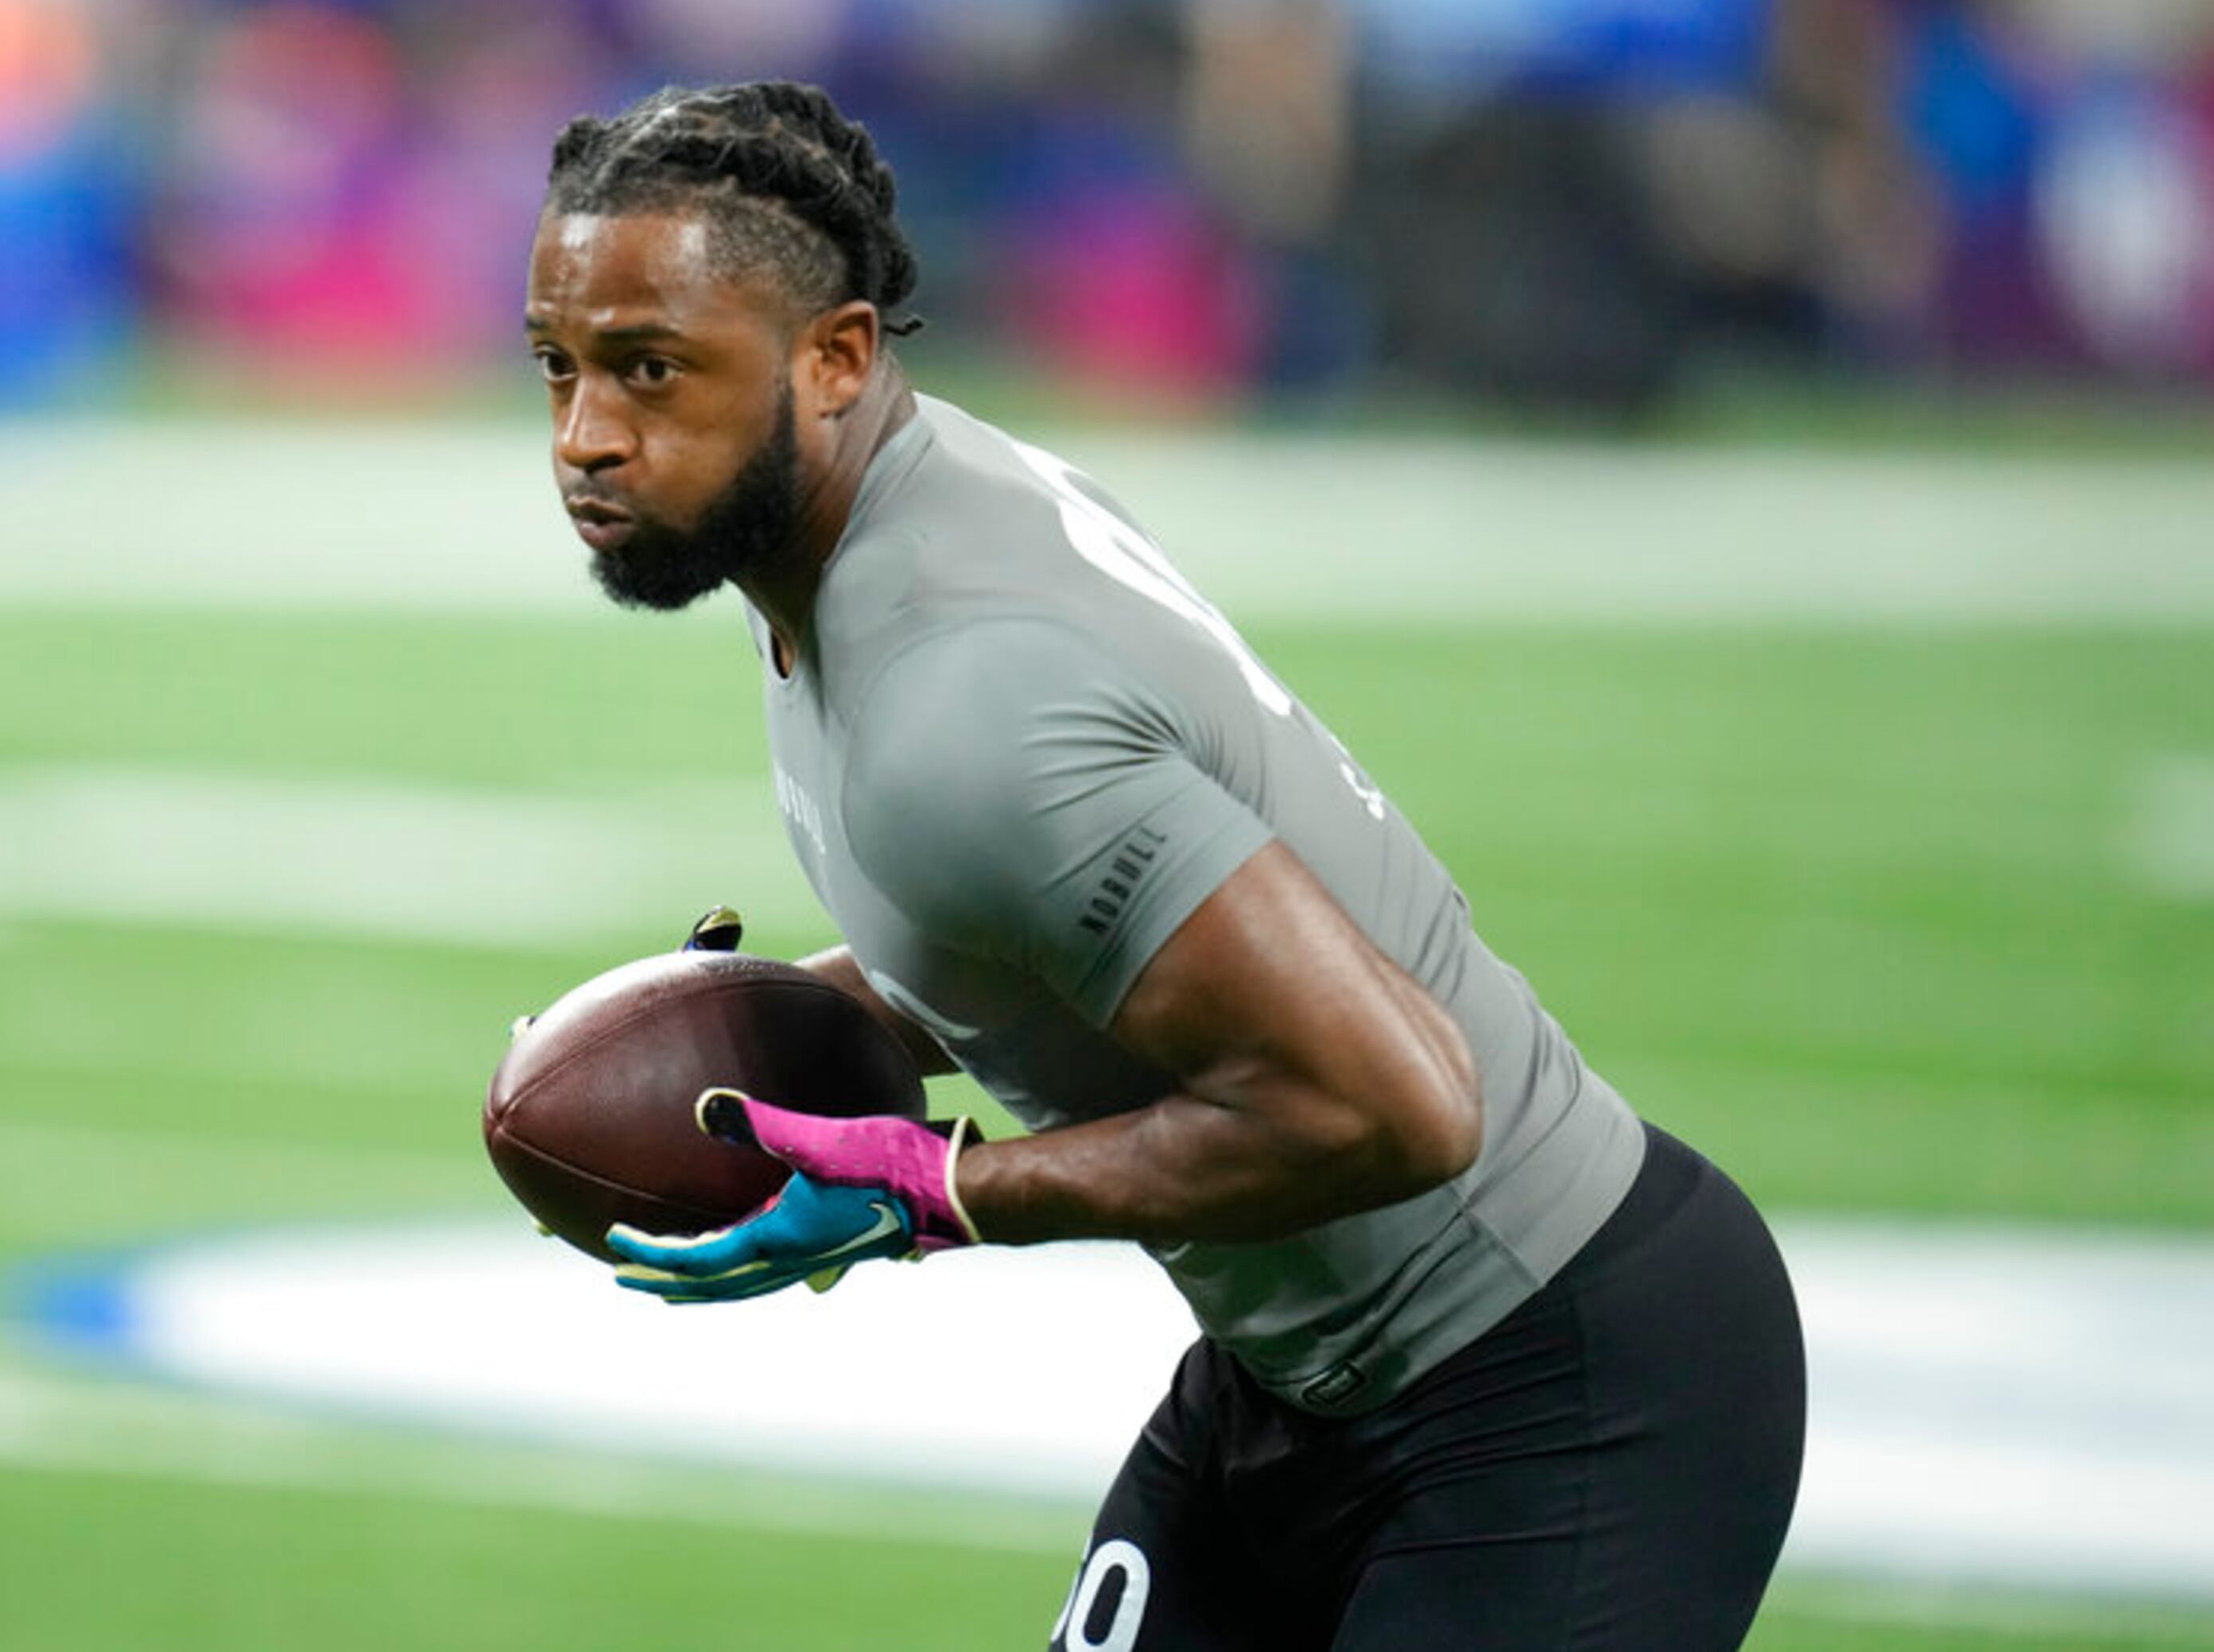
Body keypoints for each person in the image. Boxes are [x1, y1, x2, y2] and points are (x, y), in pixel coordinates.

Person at [521, 79, 1805, 1651]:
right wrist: (786, 1020)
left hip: (1556, 1383)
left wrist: (940, 1196)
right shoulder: (861, 525)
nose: (587, 436)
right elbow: (1044, 927)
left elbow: (1396, 1100)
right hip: (1292, 1384)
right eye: (561, 368)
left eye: (652, 371)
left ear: (838, 359)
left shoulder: (960, 694)